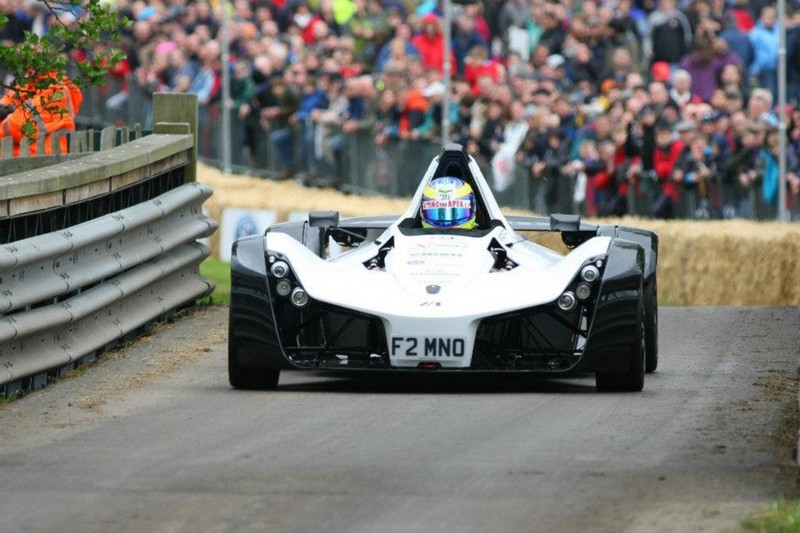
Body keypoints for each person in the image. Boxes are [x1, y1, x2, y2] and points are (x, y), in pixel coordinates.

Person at [0, 72, 83, 157]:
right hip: (19, 163)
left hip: (46, 164)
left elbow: (18, 126)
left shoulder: (57, 88)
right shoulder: (24, 85)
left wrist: (8, 116)